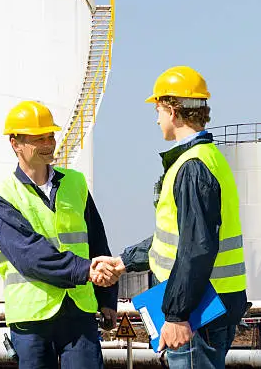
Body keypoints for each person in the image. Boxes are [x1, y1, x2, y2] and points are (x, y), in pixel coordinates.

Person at [96, 66, 247, 369]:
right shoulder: (209, 159)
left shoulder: (191, 167)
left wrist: (177, 315)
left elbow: (196, 247)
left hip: (197, 311)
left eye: (158, 109)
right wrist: (125, 261)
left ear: (173, 111)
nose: (156, 118)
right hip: (210, 304)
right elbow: (179, 238)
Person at [0, 100, 118, 369]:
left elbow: (97, 240)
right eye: (40, 138)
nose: (49, 144)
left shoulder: (75, 182)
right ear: (15, 143)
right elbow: (30, 256)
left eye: (51, 136)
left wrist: (107, 299)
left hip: (79, 309)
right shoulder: (4, 196)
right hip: (32, 317)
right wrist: (86, 271)